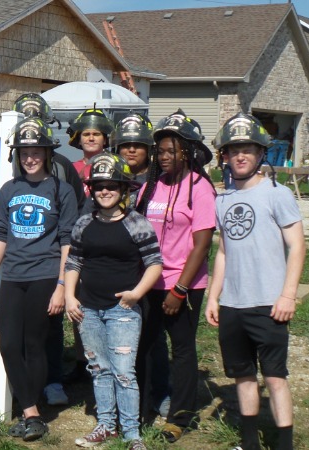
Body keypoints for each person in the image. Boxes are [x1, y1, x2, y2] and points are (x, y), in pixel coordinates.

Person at [205, 113, 305, 450]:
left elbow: (298, 246)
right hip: (233, 304)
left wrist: (288, 295)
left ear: (261, 153)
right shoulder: (222, 200)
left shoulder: (277, 194)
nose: (241, 156)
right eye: (234, 150)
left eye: (247, 149)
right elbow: (223, 253)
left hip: (269, 303)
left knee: (275, 377)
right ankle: (248, 443)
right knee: (243, 377)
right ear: (226, 156)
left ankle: (285, 443)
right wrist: (214, 297)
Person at [0, 117, 78, 442]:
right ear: (17, 155)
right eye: (24, 152)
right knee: (8, 344)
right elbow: (0, 234)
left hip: (44, 276)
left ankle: (30, 413)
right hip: (11, 275)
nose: (30, 158)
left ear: (47, 153)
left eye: (35, 151)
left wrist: (62, 286)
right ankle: (32, 411)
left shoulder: (61, 190)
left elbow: (67, 240)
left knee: (34, 344)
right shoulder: (8, 190)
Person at [65, 153, 163, 450]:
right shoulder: (83, 224)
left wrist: (136, 294)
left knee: (123, 371)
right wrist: (70, 296)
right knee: (98, 368)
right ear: (91, 190)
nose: (104, 191)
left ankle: (132, 433)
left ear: (124, 189)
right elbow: (73, 263)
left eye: (111, 185)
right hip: (88, 309)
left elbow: (155, 263)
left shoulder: (137, 224)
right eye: (98, 186)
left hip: (123, 310)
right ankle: (105, 425)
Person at [135, 109, 216, 442]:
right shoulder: (150, 187)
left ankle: (180, 417)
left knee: (181, 349)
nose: (164, 156)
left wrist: (180, 289)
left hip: (184, 284)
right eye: (161, 151)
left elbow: (202, 245)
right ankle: (139, 410)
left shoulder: (200, 188)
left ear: (188, 152)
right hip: (149, 283)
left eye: (172, 151)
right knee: (142, 346)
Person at [11, 93, 83, 406]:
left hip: (52, 261)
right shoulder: (9, 166)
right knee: (19, 328)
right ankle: (23, 385)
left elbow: (77, 212)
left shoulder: (64, 167)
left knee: (51, 326)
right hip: (17, 260)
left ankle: (53, 380)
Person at [112, 113, 172, 418]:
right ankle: (118, 394)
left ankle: (159, 392)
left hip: (149, 271)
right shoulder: (109, 177)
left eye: (138, 144)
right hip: (116, 269)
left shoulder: (160, 182)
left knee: (152, 337)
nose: (131, 150)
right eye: (126, 144)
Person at [64, 109, 115, 384]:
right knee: (78, 303)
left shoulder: (116, 164)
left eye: (96, 134)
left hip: (106, 243)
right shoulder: (71, 169)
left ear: (105, 138)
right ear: (78, 138)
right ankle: (83, 358)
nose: (92, 138)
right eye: (87, 134)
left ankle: (110, 360)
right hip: (77, 242)